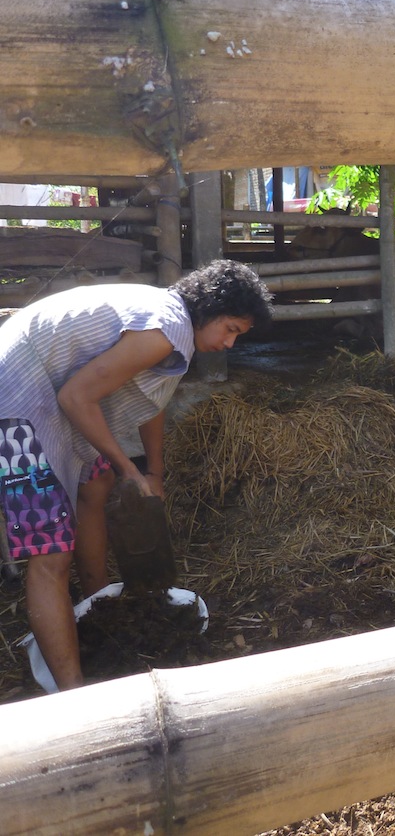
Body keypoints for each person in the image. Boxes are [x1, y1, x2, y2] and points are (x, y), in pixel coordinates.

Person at [0, 259, 273, 689]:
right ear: (211, 310)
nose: (230, 344)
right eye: (232, 329)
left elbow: (153, 404)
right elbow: (76, 397)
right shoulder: (163, 328)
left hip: (43, 392)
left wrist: (155, 473)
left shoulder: (174, 328)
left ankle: (96, 602)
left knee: (98, 478)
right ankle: (74, 694)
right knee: (50, 552)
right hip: (13, 399)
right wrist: (130, 466)